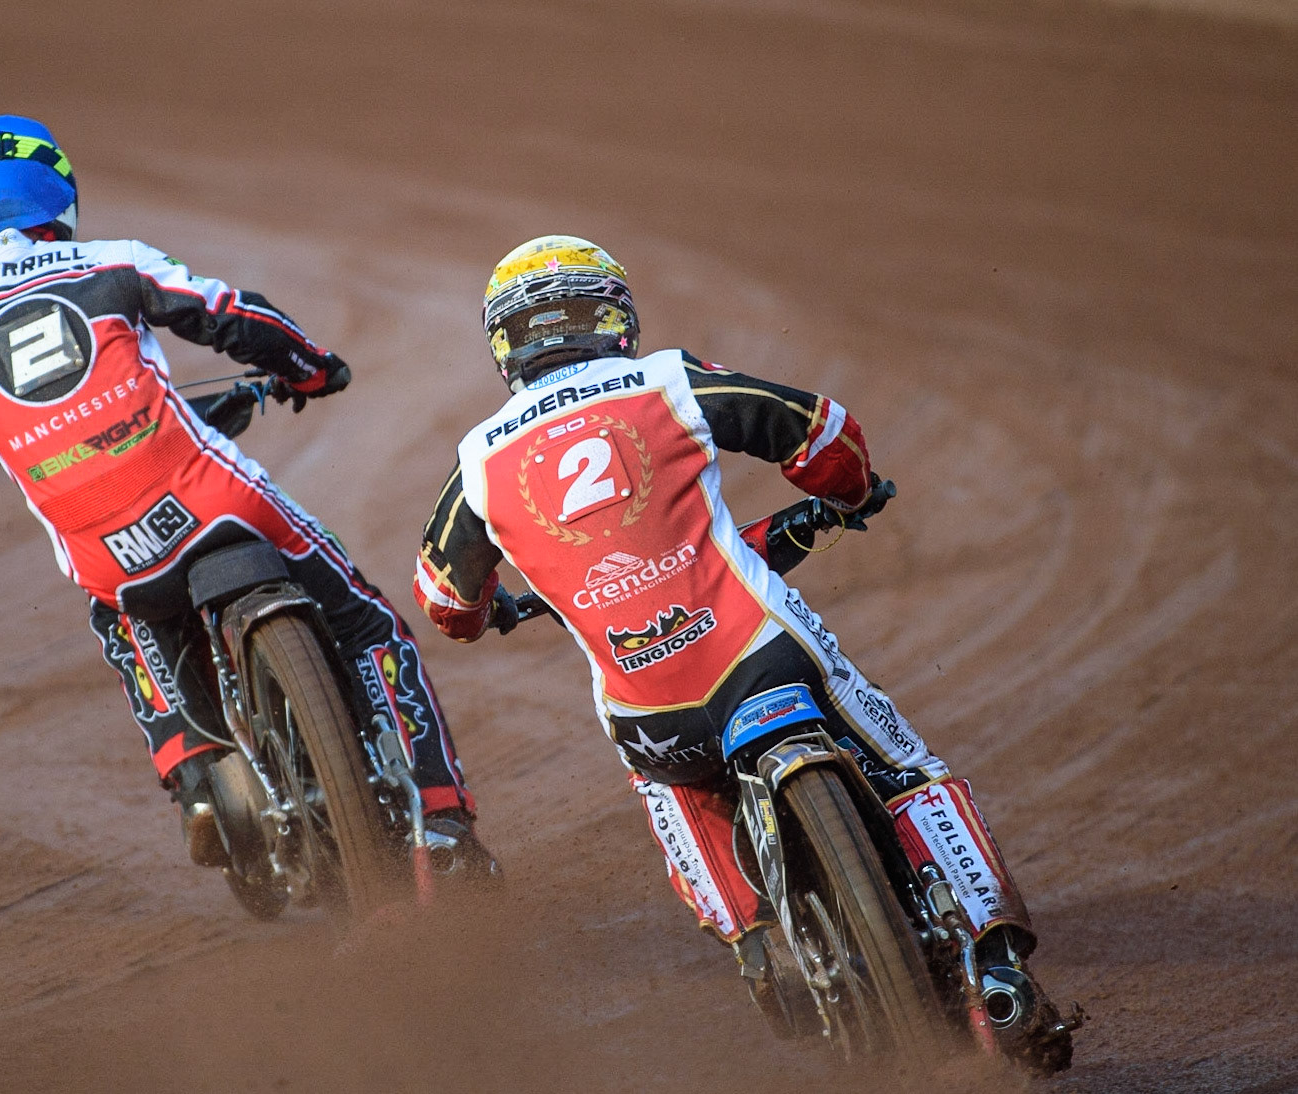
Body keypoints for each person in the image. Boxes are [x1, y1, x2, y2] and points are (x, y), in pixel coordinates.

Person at [413, 235, 1073, 1071]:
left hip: (652, 716)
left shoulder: (477, 460)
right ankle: (997, 964)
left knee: (671, 785)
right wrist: (849, 492)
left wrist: (494, 608)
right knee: (907, 769)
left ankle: (753, 945)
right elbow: (821, 430)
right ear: (614, 317)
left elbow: (444, 604)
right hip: (760, 655)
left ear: (504, 345)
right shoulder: (662, 379)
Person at [0, 114, 494, 886]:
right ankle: (444, 822)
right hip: (209, 495)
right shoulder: (111, 261)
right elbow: (233, 317)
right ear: (59, 201)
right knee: (367, 622)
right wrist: (311, 369)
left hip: (101, 546)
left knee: (123, 617)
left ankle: (193, 771)